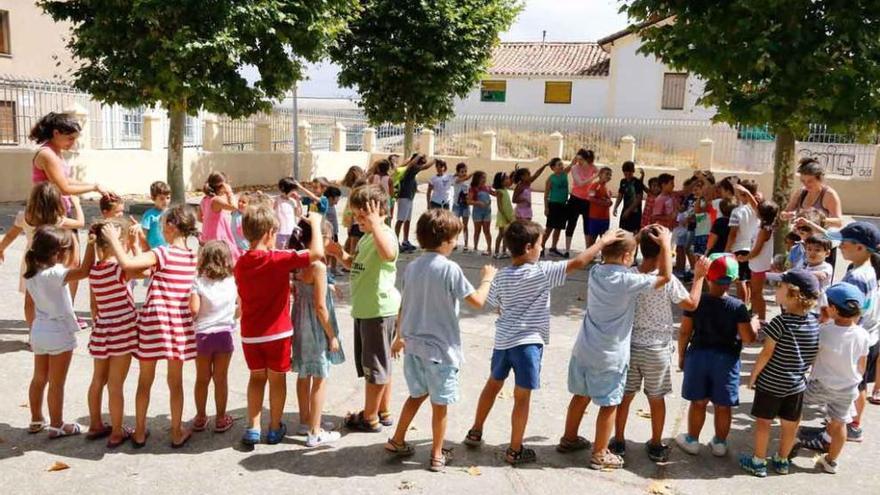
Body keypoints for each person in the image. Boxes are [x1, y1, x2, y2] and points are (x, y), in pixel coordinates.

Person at [463, 221, 625, 465]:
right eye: (541, 244)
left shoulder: (502, 276)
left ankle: (475, 430)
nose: (542, 248)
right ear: (529, 247)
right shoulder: (541, 272)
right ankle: (515, 449)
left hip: (503, 341)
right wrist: (602, 243)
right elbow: (578, 262)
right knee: (522, 397)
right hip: (528, 345)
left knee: (492, 385)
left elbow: (496, 305)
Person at [385, 209, 497, 471]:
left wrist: (399, 337)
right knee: (440, 405)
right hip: (441, 352)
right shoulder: (450, 269)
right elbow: (478, 301)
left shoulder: (412, 266)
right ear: (446, 240)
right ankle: (436, 454)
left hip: (413, 347)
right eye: (455, 238)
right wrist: (488, 279)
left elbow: (404, 305)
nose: (456, 243)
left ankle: (397, 439)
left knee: (416, 395)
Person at [562, 226, 672, 471]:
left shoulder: (596, 272)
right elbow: (664, 277)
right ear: (627, 258)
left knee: (580, 396)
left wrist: (602, 242)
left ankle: (569, 438)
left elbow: (584, 258)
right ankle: (600, 452)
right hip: (609, 355)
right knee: (610, 403)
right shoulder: (628, 280)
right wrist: (665, 245)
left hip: (584, 349)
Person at [102, 204, 199, 448]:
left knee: (145, 380)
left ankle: (140, 431)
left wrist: (114, 239)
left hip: (154, 322)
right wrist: (141, 241)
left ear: (171, 226)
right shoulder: (191, 257)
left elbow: (127, 264)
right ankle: (177, 432)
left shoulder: (163, 253)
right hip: (178, 325)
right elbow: (149, 264)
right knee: (175, 382)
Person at [609, 227, 707, 462]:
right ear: (667, 251)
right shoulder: (667, 280)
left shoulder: (629, 275)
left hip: (629, 346)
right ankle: (655, 443)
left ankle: (619, 441)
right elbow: (691, 304)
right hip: (657, 350)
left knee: (625, 396)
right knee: (656, 398)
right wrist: (700, 276)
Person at [234, 205, 324, 445]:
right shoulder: (278, 258)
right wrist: (315, 223)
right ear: (268, 234)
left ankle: (253, 427)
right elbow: (316, 254)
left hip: (251, 334)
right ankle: (274, 427)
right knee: (277, 380)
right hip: (278, 334)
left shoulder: (240, 262)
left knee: (255, 378)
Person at [326, 185, 401, 433]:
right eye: (357, 215)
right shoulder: (369, 237)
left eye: (362, 216)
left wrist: (376, 225)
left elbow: (389, 254)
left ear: (379, 214)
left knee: (374, 368)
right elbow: (355, 265)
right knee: (381, 365)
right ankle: (383, 409)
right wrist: (340, 255)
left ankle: (369, 417)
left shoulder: (385, 235)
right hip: (367, 310)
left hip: (377, 311)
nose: (357, 220)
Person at [740, 269, 820, 477]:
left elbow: (766, 353)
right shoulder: (814, 323)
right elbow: (813, 353)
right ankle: (782, 460)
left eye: (780, 286)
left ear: (793, 294)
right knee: (790, 425)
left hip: (771, 383)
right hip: (796, 385)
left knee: (764, 423)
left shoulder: (780, 323)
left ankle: (758, 462)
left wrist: (753, 375)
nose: (776, 290)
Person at [676, 253, 757, 457]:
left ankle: (692, 439)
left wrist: (681, 356)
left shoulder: (696, 302)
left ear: (708, 277)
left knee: (698, 402)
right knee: (723, 405)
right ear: (733, 279)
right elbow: (747, 337)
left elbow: (685, 331)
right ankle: (720, 443)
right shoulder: (738, 306)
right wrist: (754, 323)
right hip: (727, 360)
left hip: (699, 356)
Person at [30, 113, 109, 320]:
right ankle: (57, 313)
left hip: (63, 210)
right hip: (53, 215)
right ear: (56, 133)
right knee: (58, 265)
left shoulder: (56, 152)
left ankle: (67, 311)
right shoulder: (46, 154)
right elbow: (64, 187)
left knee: (72, 263)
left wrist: (95, 186)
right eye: (70, 138)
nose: (72, 143)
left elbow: (67, 180)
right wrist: (93, 187)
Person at [24, 226, 95, 438]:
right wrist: (91, 244)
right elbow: (84, 271)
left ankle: (36, 418)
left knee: (39, 378)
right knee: (57, 382)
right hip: (59, 332)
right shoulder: (55, 273)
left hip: (39, 330)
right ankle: (57, 425)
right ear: (57, 252)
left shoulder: (31, 272)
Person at [798, 283, 871, 474]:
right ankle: (831, 461)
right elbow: (862, 365)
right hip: (847, 388)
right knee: (840, 424)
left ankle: (788, 444)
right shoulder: (863, 335)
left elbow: (812, 357)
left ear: (833, 309)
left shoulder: (824, 331)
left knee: (795, 408)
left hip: (820, 384)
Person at [288, 219, 345, 447]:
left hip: (299, 324)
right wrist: (331, 335)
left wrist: (328, 286)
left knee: (304, 374)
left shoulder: (299, 263)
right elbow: (321, 308)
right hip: (315, 328)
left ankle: (306, 419)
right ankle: (315, 431)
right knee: (320, 377)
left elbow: (305, 287)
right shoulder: (319, 267)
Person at [86, 218, 142, 448]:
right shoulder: (119, 269)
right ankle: (117, 431)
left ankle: (96, 423)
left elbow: (93, 306)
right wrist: (136, 243)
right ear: (114, 244)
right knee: (116, 384)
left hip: (103, 329)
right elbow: (137, 267)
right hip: (122, 329)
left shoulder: (94, 272)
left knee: (98, 379)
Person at [823, 222, 880, 440]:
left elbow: (853, 311)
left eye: (844, 243)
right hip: (868, 335)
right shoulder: (866, 270)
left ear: (861, 247)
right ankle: (852, 424)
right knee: (859, 382)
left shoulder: (857, 277)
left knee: (851, 384)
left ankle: (844, 428)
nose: (840, 247)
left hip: (857, 338)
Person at [0, 183, 84, 328]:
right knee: (54, 296)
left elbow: (10, 236)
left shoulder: (24, 216)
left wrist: (1, 249)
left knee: (30, 300)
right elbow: (80, 223)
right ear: (56, 201)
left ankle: (33, 333)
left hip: (31, 260)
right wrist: (77, 204)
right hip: (52, 261)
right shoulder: (58, 220)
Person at [189, 241, 238, 435]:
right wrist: (231, 317)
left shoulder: (197, 281)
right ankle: (220, 418)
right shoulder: (231, 281)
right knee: (221, 378)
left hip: (202, 335)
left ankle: (200, 417)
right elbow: (239, 307)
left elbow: (193, 309)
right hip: (224, 334)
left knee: (202, 378)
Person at [745, 200, 779, 324]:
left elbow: (757, 249)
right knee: (754, 292)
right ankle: (755, 314)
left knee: (757, 293)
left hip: (759, 265)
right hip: (757, 264)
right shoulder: (765, 224)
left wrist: (745, 258)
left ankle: (762, 320)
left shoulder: (765, 230)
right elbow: (755, 205)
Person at [726, 180, 760, 304]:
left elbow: (733, 233)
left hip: (739, 248)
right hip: (754, 248)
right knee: (748, 280)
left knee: (741, 281)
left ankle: (742, 306)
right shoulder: (757, 210)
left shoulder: (737, 212)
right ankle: (748, 305)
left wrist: (727, 250)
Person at [200, 172, 242, 262]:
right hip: (218, 237)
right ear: (222, 185)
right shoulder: (216, 200)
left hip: (207, 236)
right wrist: (229, 192)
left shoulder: (205, 199)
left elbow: (199, 217)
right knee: (224, 259)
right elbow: (234, 207)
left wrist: (210, 222)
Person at [564, 149, 599, 256]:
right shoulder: (574, 168)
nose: (578, 161)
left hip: (587, 200)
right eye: (577, 159)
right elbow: (579, 183)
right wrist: (594, 177)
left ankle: (587, 250)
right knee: (571, 223)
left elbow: (601, 175)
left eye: (581, 159)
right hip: (575, 199)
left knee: (587, 225)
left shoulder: (593, 167)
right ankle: (567, 250)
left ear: (587, 159)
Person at [395, 155, 433, 252]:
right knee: (400, 220)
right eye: (422, 162)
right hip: (404, 197)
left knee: (407, 220)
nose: (422, 165)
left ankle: (405, 240)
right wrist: (434, 160)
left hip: (409, 198)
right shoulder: (411, 169)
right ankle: (395, 242)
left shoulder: (412, 170)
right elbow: (425, 166)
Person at [543, 158, 570, 256]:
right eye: (559, 165)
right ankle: (541, 247)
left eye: (562, 164)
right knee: (549, 228)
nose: (562, 166)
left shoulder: (565, 174)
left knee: (558, 228)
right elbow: (546, 195)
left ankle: (553, 248)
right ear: (553, 167)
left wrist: (579, 155)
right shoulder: (550, 179)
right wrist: (546, 208)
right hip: (553, 205)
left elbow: (573, 163)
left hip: (563, 205)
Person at [614, 161, 646, 236]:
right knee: (623, 232)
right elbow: (620, 195)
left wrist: (629, 210)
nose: (627, 175)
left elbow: (639, 198)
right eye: (625, 174)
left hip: (635, 212)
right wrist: (615, 207)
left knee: (635, 234)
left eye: (630, 174)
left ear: (633, 172)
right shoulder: (623, 181)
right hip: (625, 209)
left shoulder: (637, 182)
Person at [341, 166, 367, 256]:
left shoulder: (353, 190)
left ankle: (347, 262)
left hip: (353, 219)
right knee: (355, 244)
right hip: (356, 220)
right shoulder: (360, 191)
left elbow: (350, 209)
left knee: (352, 242)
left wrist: (349, 223)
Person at [586, 167, 613, 249]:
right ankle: (588, 257)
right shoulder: (595, 185)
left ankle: (604, 257)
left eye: (610, 175)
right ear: (600, 175)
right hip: (595, 217)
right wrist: (603, 203)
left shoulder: (606, 187)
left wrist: (609, 202)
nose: (609, 176)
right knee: (592, 239)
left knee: (604, 239)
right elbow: (590, 198)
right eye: (607, 174)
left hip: (605, 218)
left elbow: (606, 200)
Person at [469, 171, 494, 257]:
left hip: (487, 212)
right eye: (482, 178)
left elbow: (495, 193)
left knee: (487, 231)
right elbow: (469, 201)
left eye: (485, 178)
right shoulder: (473, 189)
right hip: (477, 212)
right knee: (477, 230)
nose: (484, 180)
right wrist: (478, 203)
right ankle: (475, 247)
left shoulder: (487, 188)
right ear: (477, 179)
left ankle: (489, 248)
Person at [141, 181, 171, 249]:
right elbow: (143, 234)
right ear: (153, 198)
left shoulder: (171, 213)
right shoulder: (149, 215)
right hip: (153, 250)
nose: (165, 201)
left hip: (168, 249)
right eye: (162, 198)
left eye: (168, 198)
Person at [275, 177, 303, 249]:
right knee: (281, 254)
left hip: (292, 233)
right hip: (280, 233)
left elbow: (299, 214)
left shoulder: (292, 201)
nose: (294, 192)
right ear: (284, 189)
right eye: (293, 190)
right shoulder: (277, 200)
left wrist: (297, 200)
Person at [452, 162, 473, 251]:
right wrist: (472, 173)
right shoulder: (456, 179)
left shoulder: (468, 181)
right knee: (456, 225)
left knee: (465, 225)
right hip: (457, 205)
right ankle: (454, 242)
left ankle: (466, 243)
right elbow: (464, 178)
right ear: (457, 172)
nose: (464, 173)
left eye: (465, 171)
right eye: (461, 171)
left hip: (465, 205)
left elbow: (470, 190)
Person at [493, 171, 514, 258]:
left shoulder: (505, 189)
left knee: (506, 235)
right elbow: (500, 206)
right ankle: (497, 252)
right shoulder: (499, 191)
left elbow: (511, 182)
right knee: (501, 235)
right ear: (501, 181)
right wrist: (505, 217)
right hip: (503, 217)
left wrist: (514, 173)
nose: (508, 180)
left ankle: (504, 251)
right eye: (506, 178)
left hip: (508, 215)